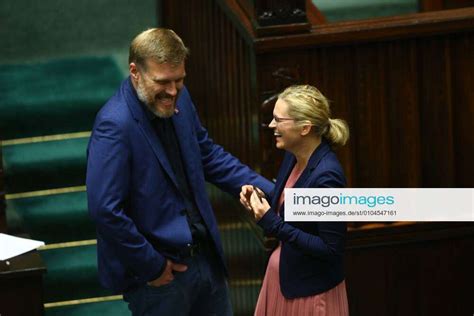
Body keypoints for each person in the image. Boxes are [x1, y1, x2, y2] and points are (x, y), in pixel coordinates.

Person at [86, 28, 273, 316]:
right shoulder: (114, 125)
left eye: (179, 80)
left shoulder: (179, 99)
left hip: (206, 260)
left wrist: (274, 191)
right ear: (135, 71)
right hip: (161, 277)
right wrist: (153, 266)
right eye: (163, 82)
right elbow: (105, 210)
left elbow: (208, 155)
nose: (173, 91)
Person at [240, 85, 350, 315]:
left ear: (305, 128)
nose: (271, 126)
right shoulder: (294, 157)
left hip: (309, 294)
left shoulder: (327, 177)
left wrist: (272, 223)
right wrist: (259, 199)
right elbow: (292, 207)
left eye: (278, 120)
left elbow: (330, 248)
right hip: (284, 280)